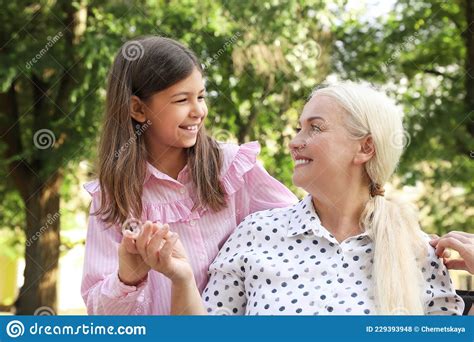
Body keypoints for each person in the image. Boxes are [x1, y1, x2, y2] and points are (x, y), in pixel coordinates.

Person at [145, 82, 464, 315]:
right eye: (299, 128)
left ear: (365, 148)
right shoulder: (256, 233)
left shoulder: (418, 250)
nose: (295, 142)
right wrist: (181, 278)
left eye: (315, 128)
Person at [81, 36, 297, 315]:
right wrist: (128, 277)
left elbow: (298, 228)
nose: (199, 111)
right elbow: (101, 316)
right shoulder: (111, 197)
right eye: (182, 100)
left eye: (201, 97)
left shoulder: (233, 168)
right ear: (138, 108)